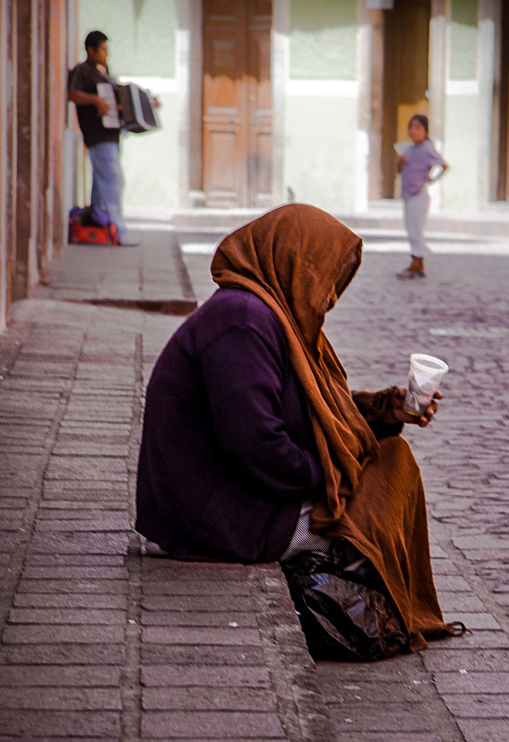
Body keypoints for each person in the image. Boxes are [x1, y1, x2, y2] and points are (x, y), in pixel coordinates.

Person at [136, 203, 461, 654]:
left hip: (238, 499)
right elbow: (257, 447)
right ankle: (362, 582)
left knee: (384, 458)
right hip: (222, 519)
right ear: (293, 263)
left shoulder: (268, 313)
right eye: (327, 281)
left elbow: (318, 412)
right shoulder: (242, 321)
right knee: (388, 473)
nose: (329, 299)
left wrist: (385, 412)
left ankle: (370, 578)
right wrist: (334, 476)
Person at [67, 30, 139, 246]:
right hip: (98, 137)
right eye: (103, 49)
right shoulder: (82, 71)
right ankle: (119, 231)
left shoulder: (103, 73)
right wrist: (95, 100)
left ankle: (97, 226)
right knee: (114, 181)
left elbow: (111, 102)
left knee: (101, 185)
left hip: (111, 136)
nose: (106, 54)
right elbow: (72, 94)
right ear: (91, 49)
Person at [395, 114, 448, 279]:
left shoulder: (427, 148)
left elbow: (443, 165)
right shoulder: (409, 149)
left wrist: (431, 180)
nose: (413, 131)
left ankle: (417, 262)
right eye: (411, 127)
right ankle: (416, 263)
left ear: (425, 130)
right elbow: (400, 171)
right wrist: (400, 163)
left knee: (416, 229)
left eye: (418, 127)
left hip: (419, 194)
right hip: (408, 193)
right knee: (410, 229)